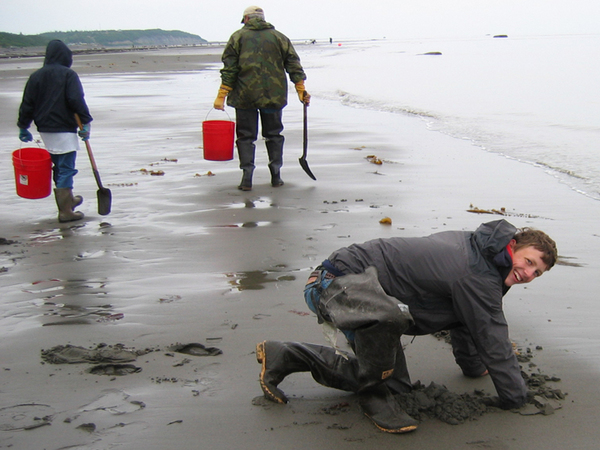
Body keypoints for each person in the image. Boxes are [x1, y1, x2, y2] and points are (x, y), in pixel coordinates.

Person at [255, 219, 558, 434]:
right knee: (382, 377)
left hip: (367, 296)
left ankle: (284, 355)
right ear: (513, 246)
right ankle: (298, 359)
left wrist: (473, 366)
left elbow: (467, 321)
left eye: (537, 273)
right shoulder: (476, 275)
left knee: (397, 386)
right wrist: (515, 397)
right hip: (335, 287)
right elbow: (493, 338)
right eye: (529, 262)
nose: (529, 274)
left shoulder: (481, 251)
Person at [214, 5, 310, 191]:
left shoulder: (237, 37)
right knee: (273, 135)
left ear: (246, 19)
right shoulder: (279, 37)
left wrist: (222, 94)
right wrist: (301, 88)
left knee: (246, 137)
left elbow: (229, 69)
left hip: (244, 96)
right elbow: (293, 64)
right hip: (273, 95)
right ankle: (276, 176)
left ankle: (247, 178)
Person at [17, 39, 93, 223]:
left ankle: (68, 201)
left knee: (59, 166)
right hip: (65, 128)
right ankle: (66, 211)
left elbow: (28, 103)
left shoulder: (36, 76)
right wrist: (86, 122)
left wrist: (23, 126)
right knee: (66, 167)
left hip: (45, 129)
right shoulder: (68, 75)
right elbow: (76, 99)